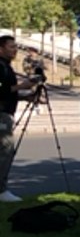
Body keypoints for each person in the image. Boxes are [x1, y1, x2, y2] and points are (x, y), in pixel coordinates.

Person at [0, 34, 39, 203]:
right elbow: (3, 91)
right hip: (1, 114)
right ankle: (1, 190)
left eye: (15, 47)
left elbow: (8, 92)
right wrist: (22, 86)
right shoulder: (1, 67)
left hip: (6, 111)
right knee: (5, 150)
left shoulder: (6, 66)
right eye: (11, 47)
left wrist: (25, 96)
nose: (15, 50)